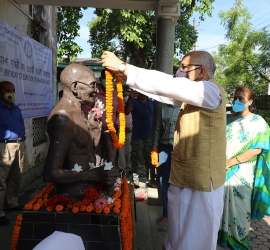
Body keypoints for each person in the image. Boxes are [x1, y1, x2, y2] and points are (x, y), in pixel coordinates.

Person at [101, 50, 226, 250]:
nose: (180, 71)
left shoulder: (209, 91)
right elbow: (163, 91)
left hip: (202, 184)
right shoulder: (191, 96)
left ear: (201, 71)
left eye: (184, 67)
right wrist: (126, 76)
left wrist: (125, 68)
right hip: (185, 176)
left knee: (195, 237)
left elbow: (169, 84)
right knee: (178, 231)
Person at [43, 64, 118, 199]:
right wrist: (94, 175)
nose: (96, 90)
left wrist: (94, 131)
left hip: (87, 190)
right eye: (92, 85)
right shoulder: (63, 117)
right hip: (72, 197)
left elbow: (83, 151)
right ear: (75, 87)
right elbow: (51, 173)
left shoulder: (79, 111)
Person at [218, 87, 270, 250]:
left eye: (241, 99)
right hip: (220, 169)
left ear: (250, 101)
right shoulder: (225, 118)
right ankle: (220, 235)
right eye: (235, 98)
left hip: (242, 172)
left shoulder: (258, 122)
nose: (237, 101)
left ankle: (238, 239)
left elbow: (257, 149)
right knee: (219, 204)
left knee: (241, 207)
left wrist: (231, 162)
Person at [0, 80, 25, 226]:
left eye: (13, 90)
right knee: (1, 181)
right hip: (3, 147)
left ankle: (12, 203)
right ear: (0, 92)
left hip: (19, 145)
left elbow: (21, 125)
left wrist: (23, 141)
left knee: (16, 177)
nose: (11, 93)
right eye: (8, 90)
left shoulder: (16, 108)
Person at [81, 68, 119, 166]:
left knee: (110, 158)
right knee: (96, 158)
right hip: (96, 132)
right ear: (101, 78)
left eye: (109, 78)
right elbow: (85, 110)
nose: (107, 81)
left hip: (111, 132)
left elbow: (120, 112)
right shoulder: (94, 93)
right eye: (104, 78)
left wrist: (117, 125)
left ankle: (108, 178)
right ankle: (96, 176)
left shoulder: (116, 95)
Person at [151, 101, 180, 225]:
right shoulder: (161, 104)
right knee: (164, 181)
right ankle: (166, 213)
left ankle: (179, 213)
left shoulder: (186, 104)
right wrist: (154, 148)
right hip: (164, 148)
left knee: (179, 182)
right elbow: (157, 127)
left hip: (179, 149)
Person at [125, 90, 153, 180]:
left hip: (150, 137)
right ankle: (135, 181)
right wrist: (130, 99)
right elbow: (126, 111)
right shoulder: (134, 101)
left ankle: (149, 179)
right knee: (135, 160)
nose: (141, 93)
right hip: (137, 137)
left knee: (149, 159)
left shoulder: (152, 102)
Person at [117, 86, 132, 173]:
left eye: (124, 91)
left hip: (129, 128)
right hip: (120, 128)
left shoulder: (128, 100)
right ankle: (122, 168)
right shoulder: (116, 100)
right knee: (121, 150)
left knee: (129, 150)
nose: (122, 92)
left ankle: (129, 166)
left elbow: (130, 113)